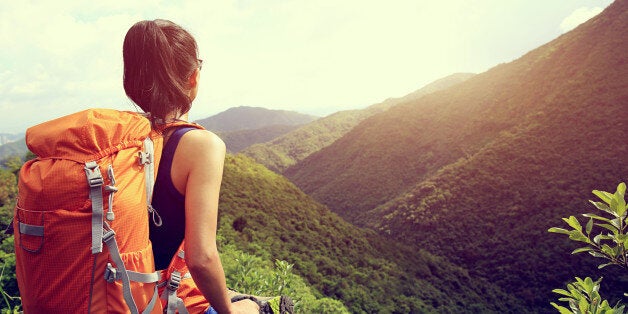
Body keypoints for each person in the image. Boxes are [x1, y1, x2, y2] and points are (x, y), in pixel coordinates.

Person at [123, 19, 259, 314]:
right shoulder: (202, 145)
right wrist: (228, 311)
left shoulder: (117, 141)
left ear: (131, 82)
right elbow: (202, 258)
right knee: (256, 306)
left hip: (108, 293)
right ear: (193, 77)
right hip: (150, 302)